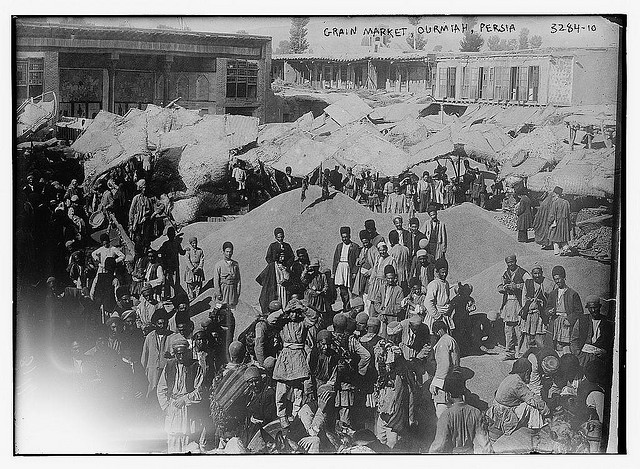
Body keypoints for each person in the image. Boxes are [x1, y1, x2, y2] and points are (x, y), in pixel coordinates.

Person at [267, 299, 312, 427]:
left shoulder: (303, 323)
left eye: (296, 312)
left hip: (299, 356)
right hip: (286, 357)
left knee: (298, 389)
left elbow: (314, 317)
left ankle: (296, 413)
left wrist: (303, 308)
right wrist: (283, 311)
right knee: (281, 389)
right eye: (291, 312)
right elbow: (270, 320)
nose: (294, 315)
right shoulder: (282, 323)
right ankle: (282, 415)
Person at [156, 338, 204, 453]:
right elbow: (160, 388)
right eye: (178, 354)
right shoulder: (169, 366)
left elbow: (200, 391)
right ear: (175, 354)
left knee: (187, 439)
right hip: (172, 408)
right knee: (173, 440)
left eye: (183, 353)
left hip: (188, 409)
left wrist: (184, 399)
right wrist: (166, 407)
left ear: (187, 352)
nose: (181, 357)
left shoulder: (195, 366)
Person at [485, 358, 549, 437]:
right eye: (529, 373)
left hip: (497, 412)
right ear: (527, 372)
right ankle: (536, 432)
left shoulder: (510, 378)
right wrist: (546, 410)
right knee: (532, 407)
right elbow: (532, 399)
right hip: (505, 416)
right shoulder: (517, 383)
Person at [429, 377, 492, 453]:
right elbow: (484, 442)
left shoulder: (446, 415)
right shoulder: (476, 412)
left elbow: (439, 444)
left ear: (448, 395)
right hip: (470, 453)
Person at [498, 254, 531, 360]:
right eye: (508, 263)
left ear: (516, 261)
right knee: (508, 328)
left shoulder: (522, 272)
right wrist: (503, 288)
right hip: (508, 302)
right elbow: (501, 285)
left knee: (519, 328)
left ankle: (520, 352)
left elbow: (530, 284)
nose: (510, 264)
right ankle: (509, 352)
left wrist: (517, 286)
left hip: (518, 302)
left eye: (512, 262)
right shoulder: (506, 273)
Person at [546, 265, 583, 355]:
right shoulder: (553, 293)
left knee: (565, 345)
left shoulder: (572, 294)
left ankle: (566, 363)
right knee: (555, 345)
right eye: (555, 279)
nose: (557, 281)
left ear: (564, 277)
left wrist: (570, 320)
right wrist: (549, 311)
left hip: (566, 323)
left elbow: (579, 311)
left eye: (559, 278)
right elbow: (547, 308)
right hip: (555, 321)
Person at [141, 310, 174, 405]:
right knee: (152, 394)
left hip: (166, 370)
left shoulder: (172, 336)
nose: (162, 326)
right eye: (159, 323)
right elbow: (144, 357)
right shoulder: (149, 337)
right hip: (152, 372)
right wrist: (145, 371)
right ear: (155, 324)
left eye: (164, 323)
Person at [570, 295, 614, 369]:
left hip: (600, 357)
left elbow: (611, 342)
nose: (593, 310)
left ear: (600, 307)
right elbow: (574, 339)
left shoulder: (608, 322)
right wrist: (577, 353)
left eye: (595, 307)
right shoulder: (582, 320)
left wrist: (605, 352)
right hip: (583, 356)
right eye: (590, 308)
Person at [520, 263, 554, 350]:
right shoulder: (527, 283)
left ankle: (541, 356)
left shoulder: (547, 284)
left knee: (540, 337)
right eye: (535, 273)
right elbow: (524, 298)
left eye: (539, 273)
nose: (537, 275)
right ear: (532, 274)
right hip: (529, 315)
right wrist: (527, 307)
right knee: (529, 337)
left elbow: (550, 299)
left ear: (542, 273)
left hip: (540, 315)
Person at [430, 320, 460, 418]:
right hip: (453, 378)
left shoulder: (443, 342)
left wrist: (436, 382)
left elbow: (444, 364)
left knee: (441, 411)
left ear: (438, 331)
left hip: (445, 381)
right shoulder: (451, 340)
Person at [332, 226, 361, 313]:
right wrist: (334, 272)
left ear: (349, 236)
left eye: (346, 237)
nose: (345, 239)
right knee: (342, 289)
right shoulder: (339, 246)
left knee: (352, 289)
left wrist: (355, 271)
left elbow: (357, 260)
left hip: (349, 268)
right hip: (340, 268)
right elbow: (335, 259)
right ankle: (346, 306)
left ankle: (355, 307)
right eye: (343, 237)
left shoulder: (355, 246)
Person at [372, 265, 405, 337]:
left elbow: (399, 307)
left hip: (393, 319)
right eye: (388, 278)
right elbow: (377, 302)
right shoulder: (382, 288)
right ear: (385, 278)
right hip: (382, 318)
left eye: (392, 278)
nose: (390, 280)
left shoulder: (399, 290)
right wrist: (380, 312)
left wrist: (385, 311)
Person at [352, 229, 380, 314]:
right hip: (362, 276)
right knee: (362, 293)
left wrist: (371, 271)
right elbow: (360, 259)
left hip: (369, 276)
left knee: (368, 294)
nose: (365, 244)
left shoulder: (374, 249)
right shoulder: (363, 249)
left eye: (366, 242)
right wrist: (359, 261)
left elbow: (377, 263)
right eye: (363, 242)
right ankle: (364, 311)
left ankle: (368, 312)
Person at [257, 249, 291, 315]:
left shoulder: (285, 266)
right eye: (281, 256)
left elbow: (288, 277)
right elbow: (262, 277)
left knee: (284, 303)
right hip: (275, 287)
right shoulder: (272, 266)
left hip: (283, 288)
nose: (282, 258)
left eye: (283, 256)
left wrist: (285, 270)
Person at [90, 233, 125, 298]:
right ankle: (92, 295)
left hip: (110, 269)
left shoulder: (113, 249)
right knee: (97, 280)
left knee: (111, 281)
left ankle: (114, 297)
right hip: (102, 268)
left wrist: (115, 261)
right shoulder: (101, 249)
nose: (106, 245)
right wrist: (97, 259)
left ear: (109, 242)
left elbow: (122, 256)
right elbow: (93, 253)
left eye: (107, 243)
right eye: (104, 244)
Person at [424, 258, 453, 333]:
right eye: (442, 272)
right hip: (435, 318)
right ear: (437, 271)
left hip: (444, 316)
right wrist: (437, 316)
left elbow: (446, 299)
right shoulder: (434, 284)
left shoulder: (446, 283)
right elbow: (428, 302)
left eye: (445, 272)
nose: (444, 274)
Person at [367, 242, 397, 317]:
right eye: (380, 250)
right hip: (376, 283)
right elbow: (374, 270)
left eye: (384, 250)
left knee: (383, 300)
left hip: (384, 283)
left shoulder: (391, 259)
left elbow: (394, 273)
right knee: (374, 301)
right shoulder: (378, 258)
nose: (382, 252)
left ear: (386, 249)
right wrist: (371, 280)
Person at [213, 241, 241, 315]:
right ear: (223, 252)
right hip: (223, 291)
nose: (229, 254)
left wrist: (237, 293)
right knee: (219, 311)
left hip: (232, 292)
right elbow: (216, 281)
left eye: (230, 252)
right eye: (227, 251)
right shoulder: (218, 265)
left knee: (232, 312)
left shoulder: (235, 264)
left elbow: (238, 280)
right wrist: (218, 293)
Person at [128, 178, 154, 255]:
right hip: (138, 222)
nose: (145, 189)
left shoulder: (148, 198)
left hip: (146, 222)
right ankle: (138, 254)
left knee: (146, 239)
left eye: (145, 187)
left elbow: (152, 209)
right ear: (140, 188)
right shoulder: (136, 198)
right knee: (138, 239)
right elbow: (131, 211)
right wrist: (130, 223)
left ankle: (146, 253)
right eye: (143, 188)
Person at [159, 227, 185, 298]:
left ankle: (171, 295)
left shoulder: (166, 244)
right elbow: (182, 252)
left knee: (169, 281)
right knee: (173, 281)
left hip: (170, 266)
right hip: (172, 266)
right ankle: (174, 295)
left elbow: (160, 252)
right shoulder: (175, 244)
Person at [548, 186, 572, 256]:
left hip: (557, 222)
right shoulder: (566, 202)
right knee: (563, 236)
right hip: (565, 222)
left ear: (557, 194)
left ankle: (556, 250)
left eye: (554, 193)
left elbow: (552, 214)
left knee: (555, 236)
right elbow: (569, 213)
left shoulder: (555, 203)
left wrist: (549, 222)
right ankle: (565, 248)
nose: (553, 195)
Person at [388, 230, 410, 295]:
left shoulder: (391, 252)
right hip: (405, 274)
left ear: (391, 241)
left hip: (396, 275)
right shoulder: (406, 249)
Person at [184, 236, 205, 301]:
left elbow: (202, 259)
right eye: (193, 243)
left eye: (195, 243)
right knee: (190, 283)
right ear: (190, 244)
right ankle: (191, 297)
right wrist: (192, 268)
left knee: (198, 283)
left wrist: (199, 267)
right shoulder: (188, 251)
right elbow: (187, 260)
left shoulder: (200, 251)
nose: (194, 244)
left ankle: (198, 296)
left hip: (198, 268)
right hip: (191, 270)